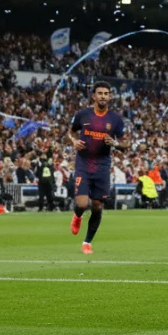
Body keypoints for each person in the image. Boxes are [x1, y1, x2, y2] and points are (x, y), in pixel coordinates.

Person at [68, 82, 128, 254]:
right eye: (100, 93)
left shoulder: (115, 119)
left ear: (110, 96)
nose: (103, 96)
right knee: (82, 203)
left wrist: (115, 143)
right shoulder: (83, 114)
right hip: (83, 163)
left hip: (102, 166)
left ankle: (87, 242)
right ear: (93, 96)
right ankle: (77, 215)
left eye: (106, 93)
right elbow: (70, 131)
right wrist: (74, 141)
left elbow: (126, 143)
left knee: (97, 206)